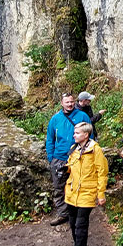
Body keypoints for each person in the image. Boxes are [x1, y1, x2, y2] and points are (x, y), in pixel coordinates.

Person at [63, 122, 108, 246]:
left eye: (77, 133)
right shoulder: (74, 149)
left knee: (81, 226)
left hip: (87, 193)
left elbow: (102, 172)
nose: (74, 135)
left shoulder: (96, 150)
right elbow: (72, 167)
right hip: (71, 192)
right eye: (74, 132)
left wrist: (100, 194)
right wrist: (65, 169)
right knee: (73, 224)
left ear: (86, 134)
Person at [46, 92, 91, 226]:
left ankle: (77, 213)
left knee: (78, 185)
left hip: (78, 157)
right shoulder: (55, 119)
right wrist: (51, 157)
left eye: (72, 101)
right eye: (67, 102)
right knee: (59, 187)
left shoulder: (82, 116)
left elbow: (90, 136)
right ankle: (63, 214)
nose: (70, 104)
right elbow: (50, 139)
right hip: (59, 158)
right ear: (62, 103)